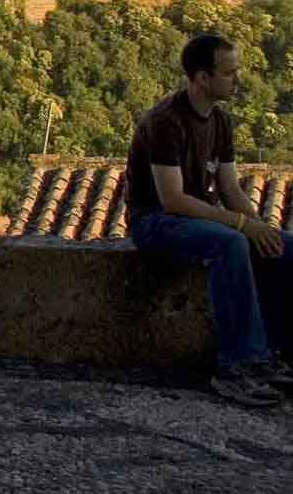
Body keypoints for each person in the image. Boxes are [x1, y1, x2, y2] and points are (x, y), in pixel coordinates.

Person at [125, 32, 293, 408]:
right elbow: (173, 200)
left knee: (285, 246)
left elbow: (231, 189)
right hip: (155, 221)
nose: (238, 79)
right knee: (230, 243)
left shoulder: (220, 121)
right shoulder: (166, 121)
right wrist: (240, 227)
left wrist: (259, 226)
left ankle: (274, 355)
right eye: (230, 73)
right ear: (202, 78)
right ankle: (237, 366)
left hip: (200, 217)